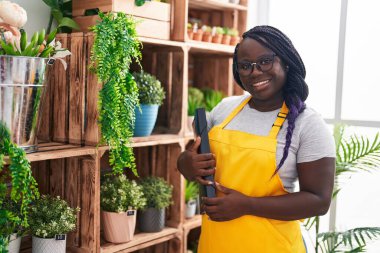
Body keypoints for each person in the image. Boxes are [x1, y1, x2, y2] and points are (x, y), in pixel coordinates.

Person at [177, 25, 336, 253]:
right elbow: (193, 157)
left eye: (265, 61)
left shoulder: (307, 124)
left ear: (286, 62)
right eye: (245, 66)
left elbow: (319, 201)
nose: (255, 72)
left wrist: (247, 205)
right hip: (215, 245)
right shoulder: (224, 110)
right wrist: (185, 163)